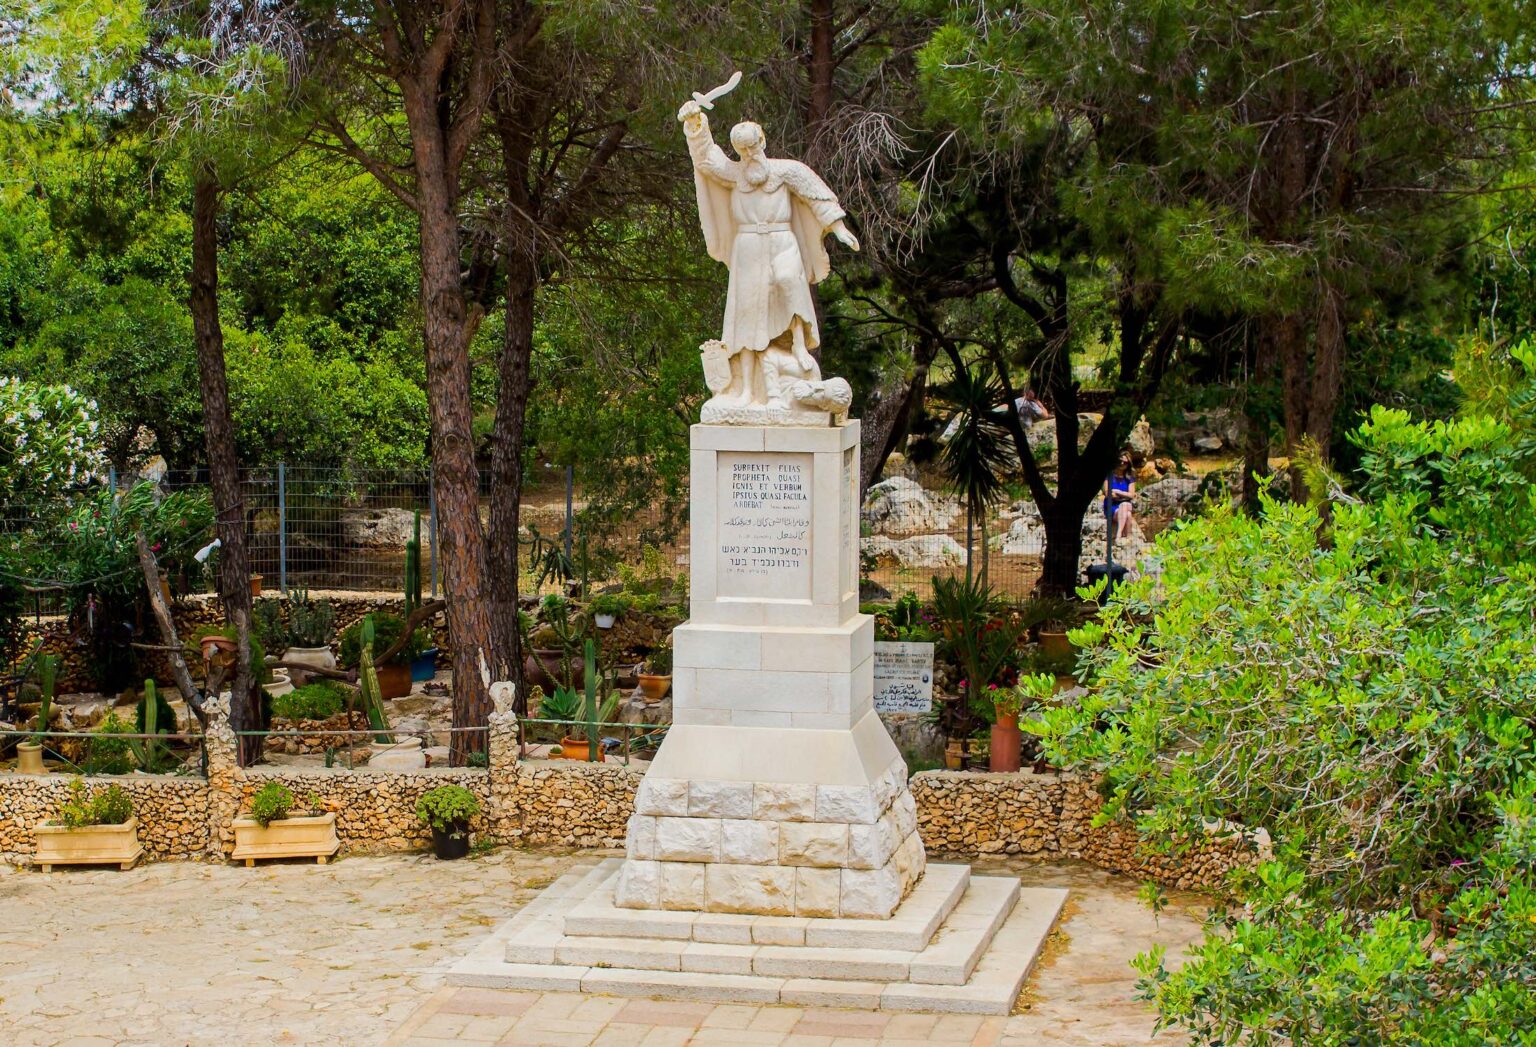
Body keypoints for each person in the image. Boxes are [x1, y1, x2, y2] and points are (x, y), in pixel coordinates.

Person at [1103, 452, 1137, 544]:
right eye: (1120, 461)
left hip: (1125, 504)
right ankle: (1128, 536)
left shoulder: (1130, 478)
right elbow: (1108, 493)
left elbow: (1132, 495)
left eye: (1125, 462)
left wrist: (1118, 492)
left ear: (1128, 464)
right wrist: (1125, 496)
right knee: (1128, 514)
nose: (1122, 464)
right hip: (1112, 506)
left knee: (1125, 505)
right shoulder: (1109, 476)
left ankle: (1118, 536)